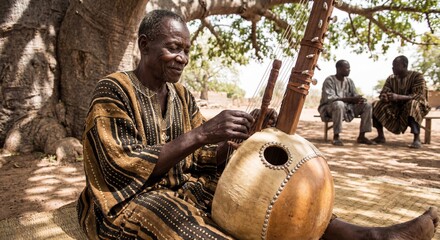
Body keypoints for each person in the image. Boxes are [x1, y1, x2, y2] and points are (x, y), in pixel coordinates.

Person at [77, 9, 438, 240]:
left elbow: (199, 158)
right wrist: (204, 132)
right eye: (174, 48)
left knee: (262, 191)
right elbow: (117, 169)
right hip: (125, 203)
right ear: (143, 45)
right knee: (185, 224)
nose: (183, 58)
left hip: (181, 186)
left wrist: (233, 139)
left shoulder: (181, 96)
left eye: (187, 50)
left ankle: (366, 237)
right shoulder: (113, 91)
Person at [372, 55, 431, 148]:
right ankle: (380, 136)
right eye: (392, 66)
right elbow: (384, 92)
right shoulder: (391, 78)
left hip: (416, 106)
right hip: (396, 107)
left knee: (412, 105)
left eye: (395, 65)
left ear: (404, 65)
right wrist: (384, 97)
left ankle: (416, 139)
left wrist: (398, 97)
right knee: (376, 104)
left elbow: (419, 95)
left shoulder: (417, 76)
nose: (393, 68)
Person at [318, 60, 374, 146]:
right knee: (339, 104)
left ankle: (362, 136)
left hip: (348, 108)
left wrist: (359, 99)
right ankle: (336, 137)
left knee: (367, 105)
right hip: (329, 109)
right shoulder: (329, 80)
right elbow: (330, 99)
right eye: (347, 68)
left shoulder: (349, 81)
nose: (349, 70)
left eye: (349, 68)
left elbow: (354, 95)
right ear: (339, 69)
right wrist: (351, 99)